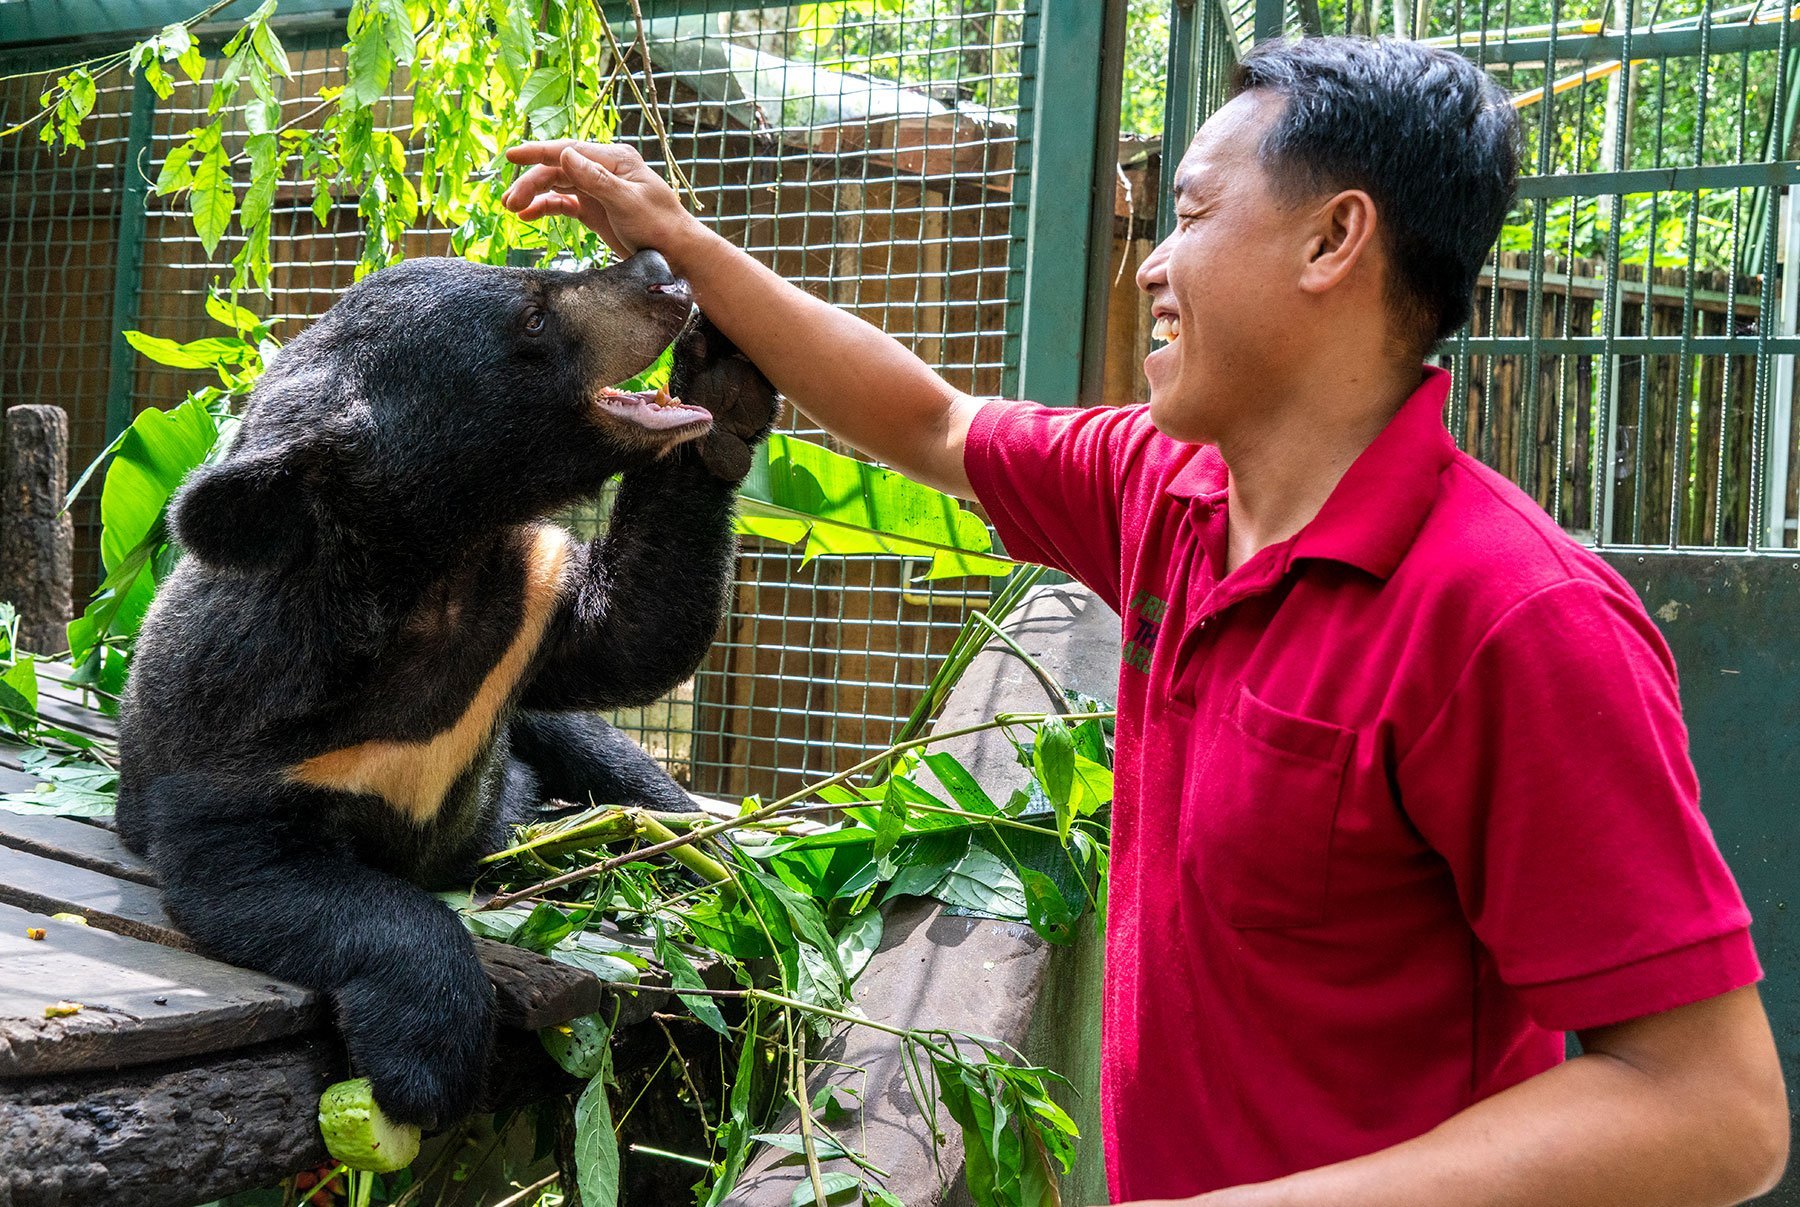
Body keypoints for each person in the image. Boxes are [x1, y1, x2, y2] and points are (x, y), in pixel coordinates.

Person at [503, 36, 1790, 1207]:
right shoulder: (1165, 490)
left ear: (1334, 240)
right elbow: (932, 425)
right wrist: (683, 238)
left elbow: (1717, 1110)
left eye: (1189, 213)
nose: (1153, 265)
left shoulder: (1514, 617)